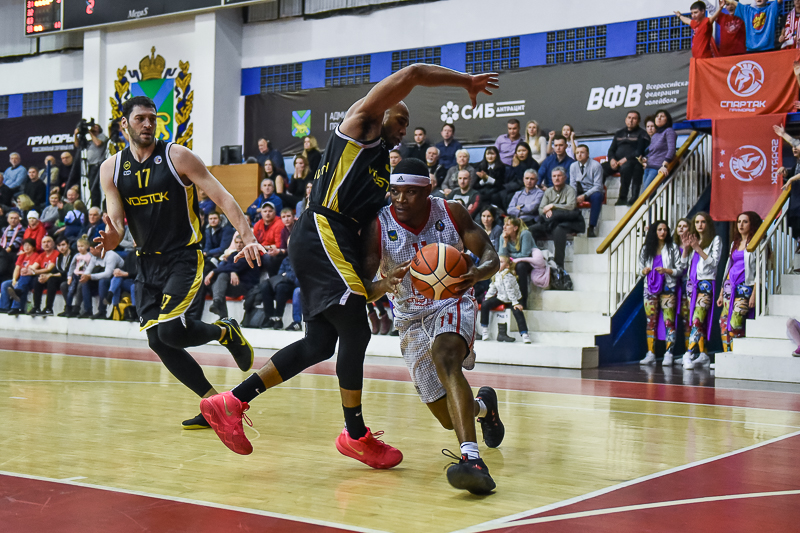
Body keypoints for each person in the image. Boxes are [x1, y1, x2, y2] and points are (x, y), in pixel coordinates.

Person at [200, 64, 498, 467]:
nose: (404, 130)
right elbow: (412, 73)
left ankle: (232, 402)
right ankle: (355, 434)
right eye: (401, 119)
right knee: (356, 329)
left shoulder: (379, 166)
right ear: (383, 109)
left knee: (320, 343)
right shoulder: (360, 125)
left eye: (406, 125)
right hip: (324, 230)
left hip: (331, 241)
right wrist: (465, 81)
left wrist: (381, 284)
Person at [95, 95, 266, 429]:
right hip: (146, 263)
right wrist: (112, 237)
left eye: (152, 118)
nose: (148, 124)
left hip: (182, 257)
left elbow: (223, 197)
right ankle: (217, 405)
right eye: (140, 118)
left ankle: (224, 331)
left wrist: (247, 237)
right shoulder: (111, 168)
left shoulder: (177, 156)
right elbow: (116, 222)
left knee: (171, 331)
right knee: (157, 341)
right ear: (125, 124)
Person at [362, 158, 502, 494]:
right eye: (395, 191)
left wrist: (479, 273)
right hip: (409, 317)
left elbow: (490, 254)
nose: (400, 198)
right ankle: (484, 409)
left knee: (446, 357)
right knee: (446, 417)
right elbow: (362, 286)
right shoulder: (378, 225)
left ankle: (472, 460)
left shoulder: (451, 211)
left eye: (410, 192)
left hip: (452, 301)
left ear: (427, 190)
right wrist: (382, 285)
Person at [679, 211, 721, 369]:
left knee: (697, 318)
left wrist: (697, 248)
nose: (699, 225)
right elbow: (683, 266)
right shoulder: (693, 240)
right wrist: (686, 249)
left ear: (708, 224)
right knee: (697, 321)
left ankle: (688, 353)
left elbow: (713, 262)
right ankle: (703, 354)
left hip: (705, 284)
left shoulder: (715, 240)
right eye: (697, 222)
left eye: (703, 222)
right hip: (692, 284)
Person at [638, 221, 683, 366]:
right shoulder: (646, 248)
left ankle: (669, 353)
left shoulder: (672, 247)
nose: (662, 232)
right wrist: (644, 271)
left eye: (665, 229)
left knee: (669, 321)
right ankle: (650, 353)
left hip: (668, 286)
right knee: (650, 321)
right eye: (659, 229)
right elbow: (639, 269)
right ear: (654, 232)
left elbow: (680, 269)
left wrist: (666, 271)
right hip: (650, 287)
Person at [718, 211, 762, 352]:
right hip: (729, 287)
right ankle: (727, 354)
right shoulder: (734, 244)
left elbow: (761, 271)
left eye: (745, 221)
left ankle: (737, 353)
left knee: (735, 322)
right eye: (739, 222)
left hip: (745, 288)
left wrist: (754, 294)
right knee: (723, 322)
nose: (741, 225)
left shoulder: (757, 243)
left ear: (752, 224)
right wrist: (721, 292)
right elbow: (728, 267)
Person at [529, 167, 586, 269]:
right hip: (551, 221)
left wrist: (553, 206)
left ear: (565, 177)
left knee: (559, 230)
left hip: (567, 221)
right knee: (530, 230)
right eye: (554, 176)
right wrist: (548, 210)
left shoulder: (570, 190)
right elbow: (541, 209)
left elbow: (571, 206)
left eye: (559, 176)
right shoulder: (548, 191)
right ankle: (535, 260)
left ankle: (559, 265)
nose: (556, 178)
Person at [205, 235, 262, 319]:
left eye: (241, 242)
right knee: (216, 285)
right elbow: (224, 266)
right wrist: (231, 271)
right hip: (235, 284)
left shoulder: (250, 254)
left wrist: (213, 271)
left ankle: (221, 311)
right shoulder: (233, 255)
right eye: (237, 242)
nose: (239, 245)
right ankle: (220, 310)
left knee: (222, 277)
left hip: (247, 286)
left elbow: (238, 266)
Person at [480, 255, 531, 344]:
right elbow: (493, 287)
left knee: (517, 311)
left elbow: (510, 291)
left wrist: (515, 303)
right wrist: (487, 298)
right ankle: (484, 330)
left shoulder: (508, 276)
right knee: (485, 305)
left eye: (501, 262)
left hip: (513, 299)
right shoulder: (497, 275)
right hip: (502, 297)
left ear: (507, 266)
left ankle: (524, 334)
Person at [604, 111, 649, 206]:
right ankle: (598, 195)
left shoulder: (642, 133)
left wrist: (625, 159)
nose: (631, 120)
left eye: (634, 118)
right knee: (600, 168)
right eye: (629, 118)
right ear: (625, 120)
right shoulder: (619, 133)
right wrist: (612, 159)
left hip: (632, 161)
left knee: (626, 167)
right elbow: (611, 149)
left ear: (638, 121)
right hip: (616, 161)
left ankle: (622, 198)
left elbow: (639, 151)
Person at [498, 216, 535, 307]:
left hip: (529, 261)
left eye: (507, 225)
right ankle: (505, 300)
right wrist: (505, 242)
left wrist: (510, 257)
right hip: (512, 262)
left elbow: (525, 254)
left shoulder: (525, 234)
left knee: (520, 266)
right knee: (500, 266)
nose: (504, 227)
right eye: (504, 224)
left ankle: (523, 301)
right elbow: (502, 256)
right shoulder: (503, 236)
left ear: (515, 228)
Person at [570, 144, 604, 238]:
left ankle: (592, 227)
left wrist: (584, 195)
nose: (579, 155)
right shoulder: (573, 166)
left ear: (588, 154)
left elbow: (598, 186)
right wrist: (573, 196)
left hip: (592, 191)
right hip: (579, 190)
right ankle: (572, 227)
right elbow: (572, 184)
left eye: (582, 152)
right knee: (569, 196)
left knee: (597, 196)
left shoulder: (596, 165)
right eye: (577, 153)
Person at [31, 236, 71, 316]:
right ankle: (36, 307)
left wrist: (49, 275)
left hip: (68, 278)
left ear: (68, 245)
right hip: (59, 277)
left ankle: (49, 308)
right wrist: (44, 276)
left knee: (51, 280)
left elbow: (66, 272)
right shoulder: (60, 256)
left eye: (63, 245)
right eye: (59, 246)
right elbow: (55, 270)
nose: (61, 248)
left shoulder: (71, 255)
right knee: (37, 280)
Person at [82, 243, 124, 319]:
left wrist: (90, 276)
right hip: (103, 277)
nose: (90, 252)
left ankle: (102, 311)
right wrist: (84, 276)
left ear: (98, 249)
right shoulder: (94, 257)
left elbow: (108, 274)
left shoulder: (111, 256)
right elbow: (88, 269)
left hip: (117, 278)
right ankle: (87, 310)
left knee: (103, 281)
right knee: (85, 282)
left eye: (91, 250)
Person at [640, 110, 676, 194]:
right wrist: (645, 159)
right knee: (649, 196)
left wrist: (664, 165)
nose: (659, 118)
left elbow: (671, 150)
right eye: (657, 116)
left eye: (662, 116)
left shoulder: (669, 131)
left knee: (645, 194)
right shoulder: (655, 135)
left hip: (657, 168)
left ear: (667, 119)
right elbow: (652, 152)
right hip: (648, 167)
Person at [0, 238, 39, 315]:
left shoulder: (36, 256)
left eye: (29, 245)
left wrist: (26, 271)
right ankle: (4, 307)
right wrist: (14, 279)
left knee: (23, 281)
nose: (26, 247)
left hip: (30, 279)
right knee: (5, 284)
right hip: (20, 279)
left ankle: (16, 307)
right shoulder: (22, 256)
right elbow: (17, 269)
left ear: (33, 247)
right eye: (25, 245)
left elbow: (32, 268)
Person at [74, 123, 108, 208]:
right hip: (90, 165)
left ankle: (96, 206)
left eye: (96, 127)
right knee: (91, 185)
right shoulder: (90, 140)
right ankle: (93, 205)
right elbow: (78, 145)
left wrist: (90, 133)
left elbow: (98, 143)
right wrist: (76, 135)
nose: (93, 128)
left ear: (99, 129)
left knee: (94, 186)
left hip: (97, 164)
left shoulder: (102, 136)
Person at [252, 202, 285, 276]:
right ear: (261, 213)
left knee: (268, 256)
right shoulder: (258, 224)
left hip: (275, 252)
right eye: (265, 211)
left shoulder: (279, 224)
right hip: (260, 250)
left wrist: (262, 247)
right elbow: (253, 242)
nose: (267, 213)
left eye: (270, 211)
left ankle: (272, 278)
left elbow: (278, 246)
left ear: (275, 212)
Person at [0, 211, 24, 281]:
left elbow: (18, 241)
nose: (13, 220)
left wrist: (9, 248)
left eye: (15, 218)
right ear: (8, 219)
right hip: (3, 251)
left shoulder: (21, 229)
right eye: (11, 218)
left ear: (19, 219)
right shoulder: (4, 229)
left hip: (14, 252)